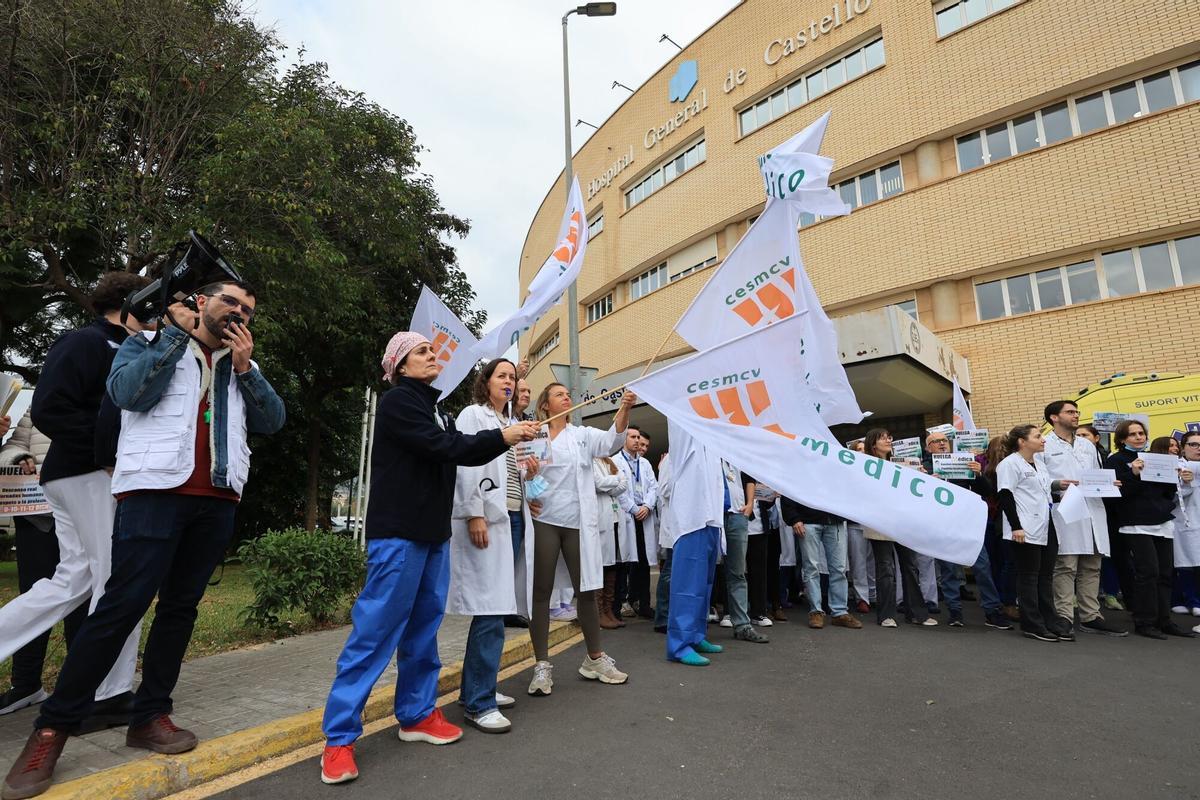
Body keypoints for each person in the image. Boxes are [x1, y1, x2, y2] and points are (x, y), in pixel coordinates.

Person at [3, 281, 285, 800]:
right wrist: (175, 338)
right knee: (119, 606)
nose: (240, 314)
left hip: (218, 498)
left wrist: (246, 369)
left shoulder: (243, 365)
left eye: (248, 310)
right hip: (153, 493)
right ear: (201, 302)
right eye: (231, 303)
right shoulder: (149, 342)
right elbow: (128, 395)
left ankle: (151, 714)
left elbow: (272, 420)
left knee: (180, 609)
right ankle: (50, 731)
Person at [320, 333, 538, 785]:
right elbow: (448, 449)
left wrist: (507, 438)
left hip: (434, 536)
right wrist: (505, 435)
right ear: (400, 366)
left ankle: (417, 715)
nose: (432, 355)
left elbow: (463, 449)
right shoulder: (400, 402)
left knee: (423, 632)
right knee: (375, 634)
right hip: (399, 536)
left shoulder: (435, 408)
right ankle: (339, 739)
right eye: (421, 352)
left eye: (431, 350)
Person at [0, 273, 150, 742]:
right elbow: (48, 408)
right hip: (87, 475)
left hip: (80, 476)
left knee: (73, 580)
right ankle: (109, 692)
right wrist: (106, 453)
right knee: (120, 579)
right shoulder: (87, 343)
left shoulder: (119, 345)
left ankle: (102, 687)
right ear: (130, 303)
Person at [448, 358, 540, 734]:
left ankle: (477, 688)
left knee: (498, 608)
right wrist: (473, 513)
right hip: (486, 519)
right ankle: (478, 702)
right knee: (489, 610)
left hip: (513, 519)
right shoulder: (473, 416)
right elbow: (464, 465)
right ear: (485, 383)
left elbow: (507, 473)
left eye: (512, 377)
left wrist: (527, 472)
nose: (509, 381)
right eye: (501, 376)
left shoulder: (507, 424)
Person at [525, 384, 635, 697]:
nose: (566, 397)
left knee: (586, 588)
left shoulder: (582, 435)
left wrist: (625, 407)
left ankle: (594, 659)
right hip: (546, 519)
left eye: (567, 394)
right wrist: (531, 480)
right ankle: (542, 665)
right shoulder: (533, 435)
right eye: (559, 394)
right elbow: (525, 482)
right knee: (542, 591)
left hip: (577, 523)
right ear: (545, 404)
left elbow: (611, 441)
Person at [0, 413, 89, 716]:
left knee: (81, 600)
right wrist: (22, 456)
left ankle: (77, 686)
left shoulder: (100, 393)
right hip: (35, 515)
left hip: (81, 513)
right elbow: (9, 449)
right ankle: (25, 685)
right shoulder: (38, 404)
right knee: (33, 597)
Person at [1036, 401, 1125, 638]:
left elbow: (1095, 473)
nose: (1076, 415)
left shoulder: (1087, 444)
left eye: (1077, 412)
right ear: (1054, 417)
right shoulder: (1044, 444)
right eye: (1070, 412)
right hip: (1066, 508)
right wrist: (1056, 484)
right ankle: (1064, 615)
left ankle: (1091, 615)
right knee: (1065, 565)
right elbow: (1040, 479)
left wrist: (1108, 484)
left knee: (1092, 564)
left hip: (1093, 507)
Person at [1105, 421, 1194, 639]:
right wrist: (1134, 474)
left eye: (1141, 433)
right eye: (1132, 434)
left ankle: (1164, 620)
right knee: (1148, 572)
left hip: (1161, 520)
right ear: (1122, 439)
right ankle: (1144, 621)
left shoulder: (1155, 458)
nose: (1138, 437)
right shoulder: (1115, 460)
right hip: (1135, 523)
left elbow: (1165, 492)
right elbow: (1118, 494)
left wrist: (1179, 479)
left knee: (1165, 573)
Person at [923, 431, 1010, 630]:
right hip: (942, 527)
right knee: (949, 571)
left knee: (982, 567)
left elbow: (987, 492)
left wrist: (979, 474)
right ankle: (954, 611)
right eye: (935, 442)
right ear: (928, 448)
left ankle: (992, 611)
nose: (942, 444)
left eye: (944, 440)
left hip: (967, 526)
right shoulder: (924, 469)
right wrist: (927, 481)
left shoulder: (963, 463)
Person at [997, 424, 1070, 642]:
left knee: (1045, 576)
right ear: (1022, 441)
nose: (1043, 439)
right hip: (1025, 528)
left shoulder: (1039, 463)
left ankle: (1050, 620)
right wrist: (1016, 526)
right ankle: (1032, 623)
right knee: (1028, 577)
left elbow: (1042, 494)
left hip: (1046, 525)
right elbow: (1006, 497)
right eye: (1038, 436)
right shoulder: (1009, 464)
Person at [662, 420, 725, 666]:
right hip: (691, 517)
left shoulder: (711, 435)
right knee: (687, 583)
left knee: (704, 582)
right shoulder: (682, 427)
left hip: (710, 516)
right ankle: (679, 644)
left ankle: (697, 635)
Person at [862, 429, 934, 628]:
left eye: (889, 437)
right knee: (886, 569)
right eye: (883, 437)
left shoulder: (901, 464)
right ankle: (886, 614)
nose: (888, 440)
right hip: (879, 523)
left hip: (902, 523)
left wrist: (921, 477)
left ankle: (916, 613)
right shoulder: (865, 465)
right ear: (873, 444)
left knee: (910, 566)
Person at [779, 496, 862, 630]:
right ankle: (816, 611)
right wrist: (794, 518)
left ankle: (839, 612)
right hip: (808, 520)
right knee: (811, 567)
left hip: (834, 520)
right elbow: (789, 489)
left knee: (839, 568)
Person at [719, 462, 769, 643]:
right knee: (707, 571)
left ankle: (742, 626)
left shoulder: (735, 450)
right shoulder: (708, 447)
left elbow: (749, 478)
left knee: (738, 572)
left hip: (738, 515)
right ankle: (697, 627)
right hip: (714, 514)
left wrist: (749, 504)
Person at [615, 426, 658, 620]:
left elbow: (653, 487)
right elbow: (618, 489)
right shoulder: (616, 461)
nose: (636, 440)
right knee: (624, 561)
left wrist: (647, 506)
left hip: (644, 514)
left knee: (644, 561)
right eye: (632, 437)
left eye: (637, 437)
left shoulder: (645, 463)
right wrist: (633, 508)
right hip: (628, 515)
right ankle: (621, 603)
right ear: (624, 439)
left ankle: (644, 603)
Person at [504, 376, 536, 629]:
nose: (525, 394)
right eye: (521, 389)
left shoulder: (529, 426)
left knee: (515, 559)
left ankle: (509, 606)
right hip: (502, 502)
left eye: (528, 390)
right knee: (503, 560)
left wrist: (535, 491)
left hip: (521, 503)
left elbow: (531, 469)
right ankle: (502, 608)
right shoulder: (503, 422)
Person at [593, 455, 628, 630]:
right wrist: (616, 479)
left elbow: (623, 485)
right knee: (601, 565)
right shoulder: (590, 460)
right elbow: (597, 483)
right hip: (599, 517)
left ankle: (608, 611)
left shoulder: (608, 461)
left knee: (612, 564)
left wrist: (611, 483)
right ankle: (599, 612)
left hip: (613, 518)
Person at [1172, 431, 1200, 623]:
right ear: (1183, 447)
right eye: (1194, 444)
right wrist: (1186, 484)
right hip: (1186, 521)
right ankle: (1191, 600)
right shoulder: (1177, 467)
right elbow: (1170, 498)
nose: (1198, 448)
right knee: (1187, 563)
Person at [653, 451, 673, 634]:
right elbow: (665, 489)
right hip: (675, 526)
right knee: (669, 573)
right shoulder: (669, 459)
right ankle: (662, 617)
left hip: (688, 526)